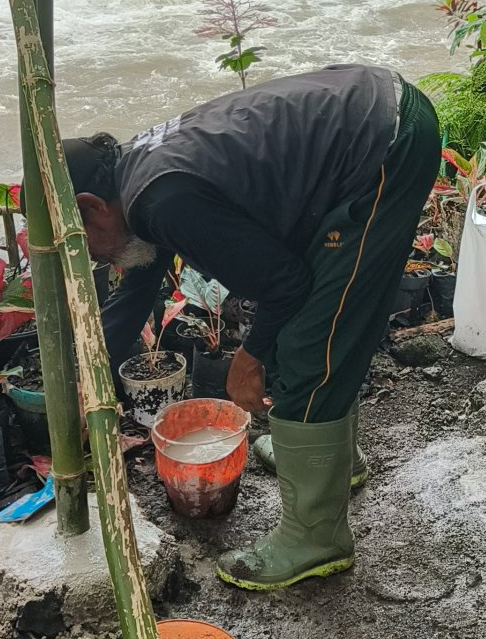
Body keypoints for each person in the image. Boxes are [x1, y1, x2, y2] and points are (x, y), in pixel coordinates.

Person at [62, 64, 441, 587]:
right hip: (368, 110)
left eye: (80, 244)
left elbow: (285, 284)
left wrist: (248, 358)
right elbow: (137, 289)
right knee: (316, 327)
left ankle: (315, 537)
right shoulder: (137, 178)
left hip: (382, 145)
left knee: (312, 343)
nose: (96, 261)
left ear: (90, 207)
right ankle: (333, 461)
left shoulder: (165, 199)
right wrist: (90, 383)